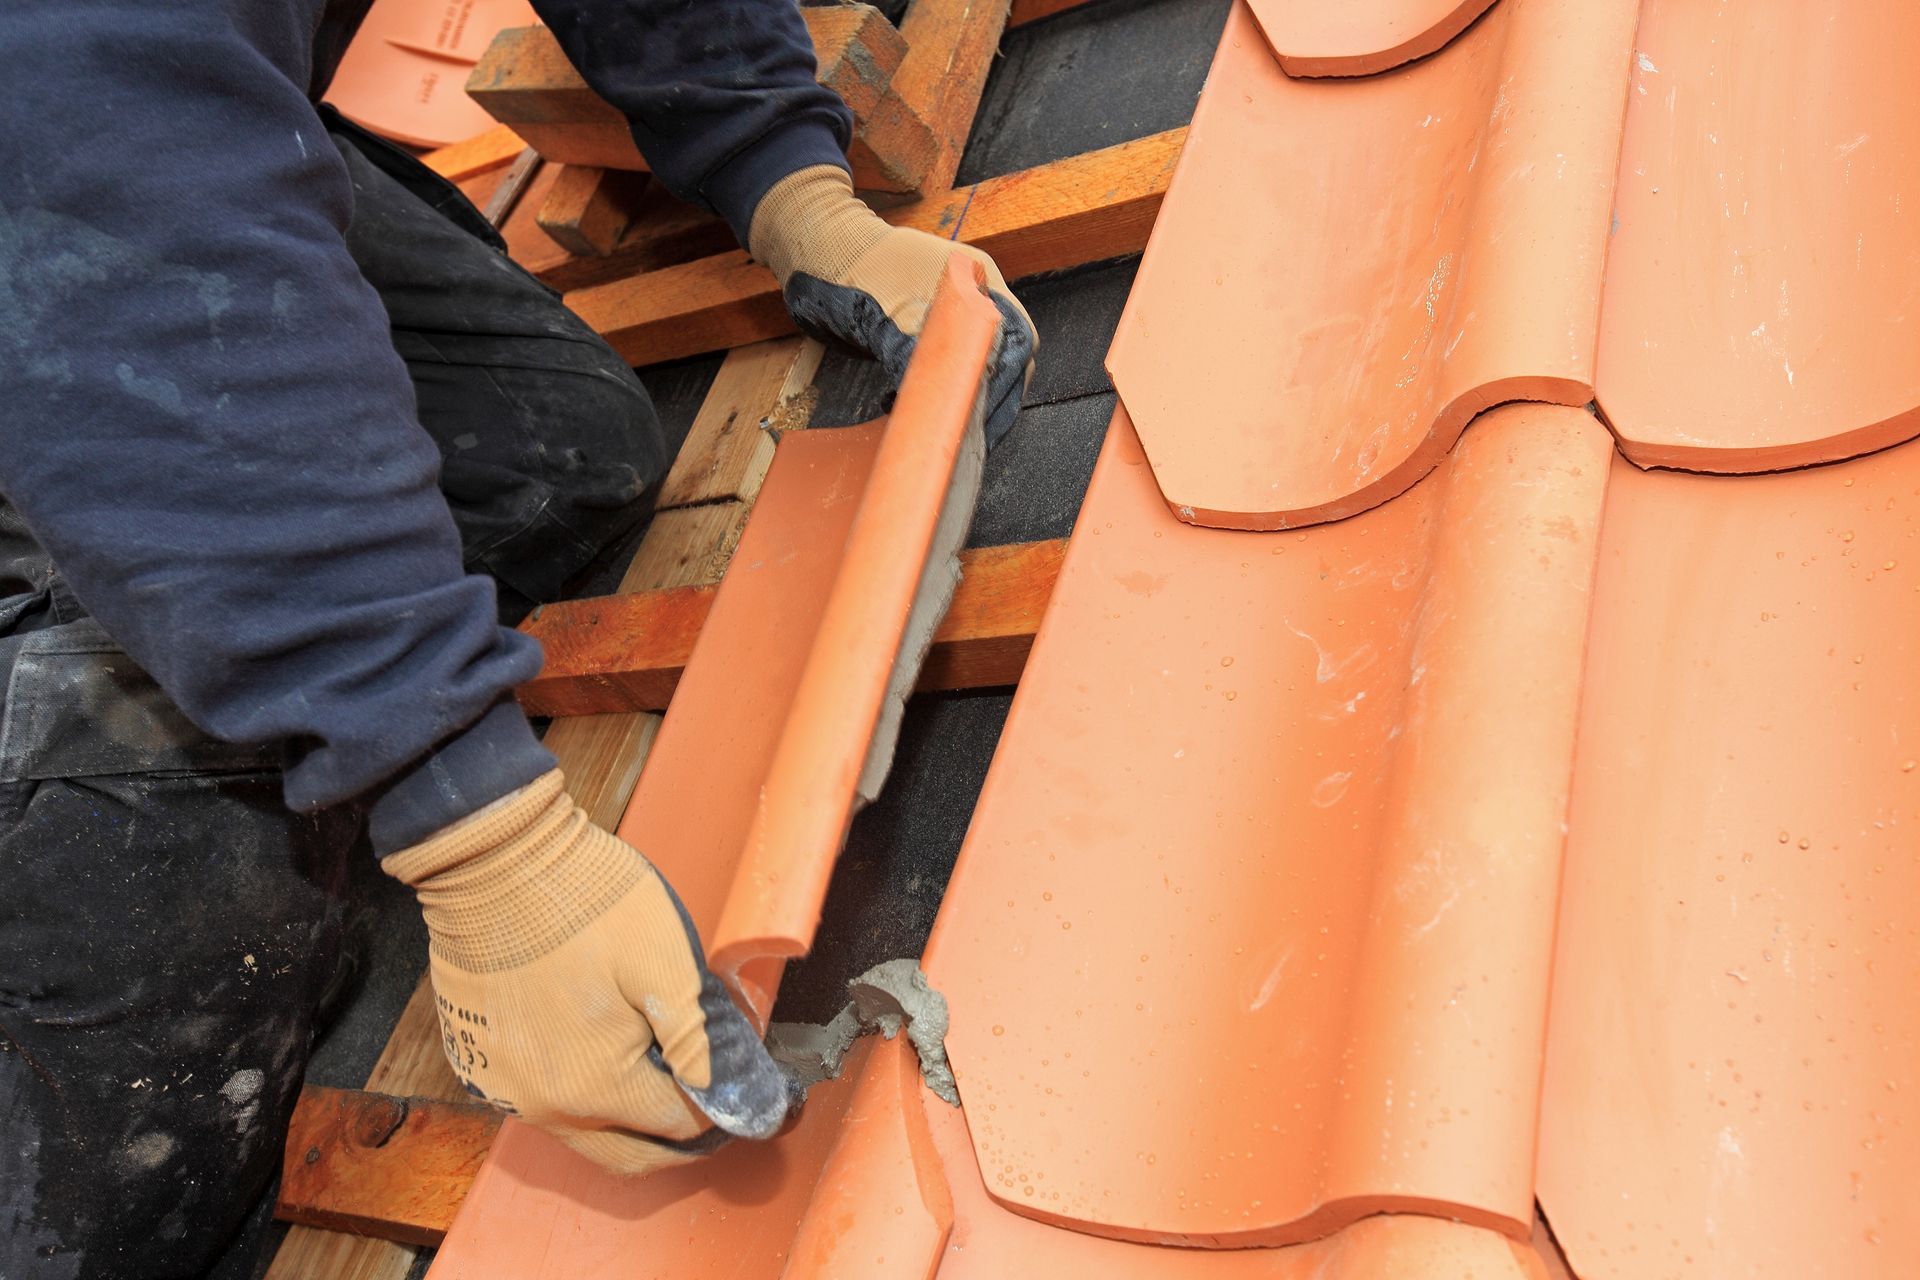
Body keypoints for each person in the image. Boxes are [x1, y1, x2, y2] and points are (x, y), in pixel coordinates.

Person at [0, 1, 1035, 1275]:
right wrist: (479, 833)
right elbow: (72, 124)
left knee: (558, 452)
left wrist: (795, 192)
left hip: (145, 134)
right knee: (149, 1042)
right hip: (53, 166)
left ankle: (195, 561)